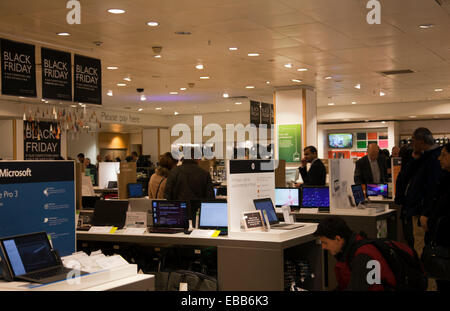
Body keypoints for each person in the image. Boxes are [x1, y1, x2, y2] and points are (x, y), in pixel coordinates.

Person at [313, 216, 417, 291]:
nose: (323, 247)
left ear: (337, 239)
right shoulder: (356, 247)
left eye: (325, 242)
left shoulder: (362, 257)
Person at [403, 128, 443, 258]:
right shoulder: (425, 156)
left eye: (413, 140)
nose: (412, 144)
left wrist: (426, 212)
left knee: (420, 244)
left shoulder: (432, 159)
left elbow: (433, 188)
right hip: (420, 209)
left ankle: (424, 275)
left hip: (423, 210)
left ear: (421, 141)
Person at [420, 143, 450, 291]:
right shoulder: (443, 179)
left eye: (444, 155)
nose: (439, 158)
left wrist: (432, 222)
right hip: (440, 242)